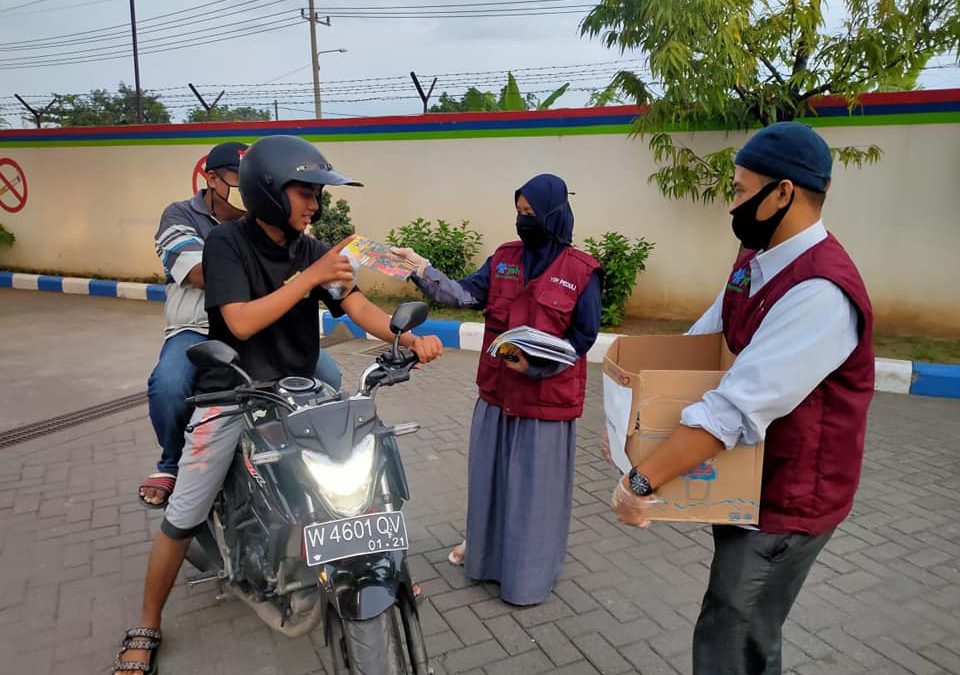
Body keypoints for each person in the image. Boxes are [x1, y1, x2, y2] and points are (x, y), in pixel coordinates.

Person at [112, 135, 443, 675]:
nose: (315, 204)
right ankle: (148, 621)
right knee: (185, 510)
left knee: (359, 451)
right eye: (305, 192)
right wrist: (307, 279)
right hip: (234, 391)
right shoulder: (225, 245)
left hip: (296, 388)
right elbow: (239, 321)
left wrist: (404, 339)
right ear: (267, 189)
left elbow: (354, 303)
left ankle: (374, 561)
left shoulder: (312, 249)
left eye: (317, 194)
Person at [612, 122, 875, 675]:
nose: (731, 202)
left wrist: (643, 479)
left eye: (738, 189)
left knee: (736, 633)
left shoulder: (820, 292)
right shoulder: (758, 257)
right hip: (751, 483)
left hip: (788, 501)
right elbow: (711, 339)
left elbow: (734, 407)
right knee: (734, 624)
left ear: (782, 192)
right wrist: (648, 401)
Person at [392, 174, 602, 606]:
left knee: (533, 492)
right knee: (489, 481)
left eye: (531, 214)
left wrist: (537, 365)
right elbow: (465, 294)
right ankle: (484, 558)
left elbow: (583, 338)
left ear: (554, 214)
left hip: (544, 401)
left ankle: (527, 577)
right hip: (497, 395)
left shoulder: (581, 271)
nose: (524, 222)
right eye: (519, 213)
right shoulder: (505, 258)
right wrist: (420, 268)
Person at [140, 142, 343, 508]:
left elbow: (314, 278)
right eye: (237, 179)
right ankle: (171, 461)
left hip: (262, 328)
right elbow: (202, 273)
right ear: (212, 179)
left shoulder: (282, 228)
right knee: (168, 386)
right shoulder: (181, 216)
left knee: (328, 377)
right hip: (197, 328)